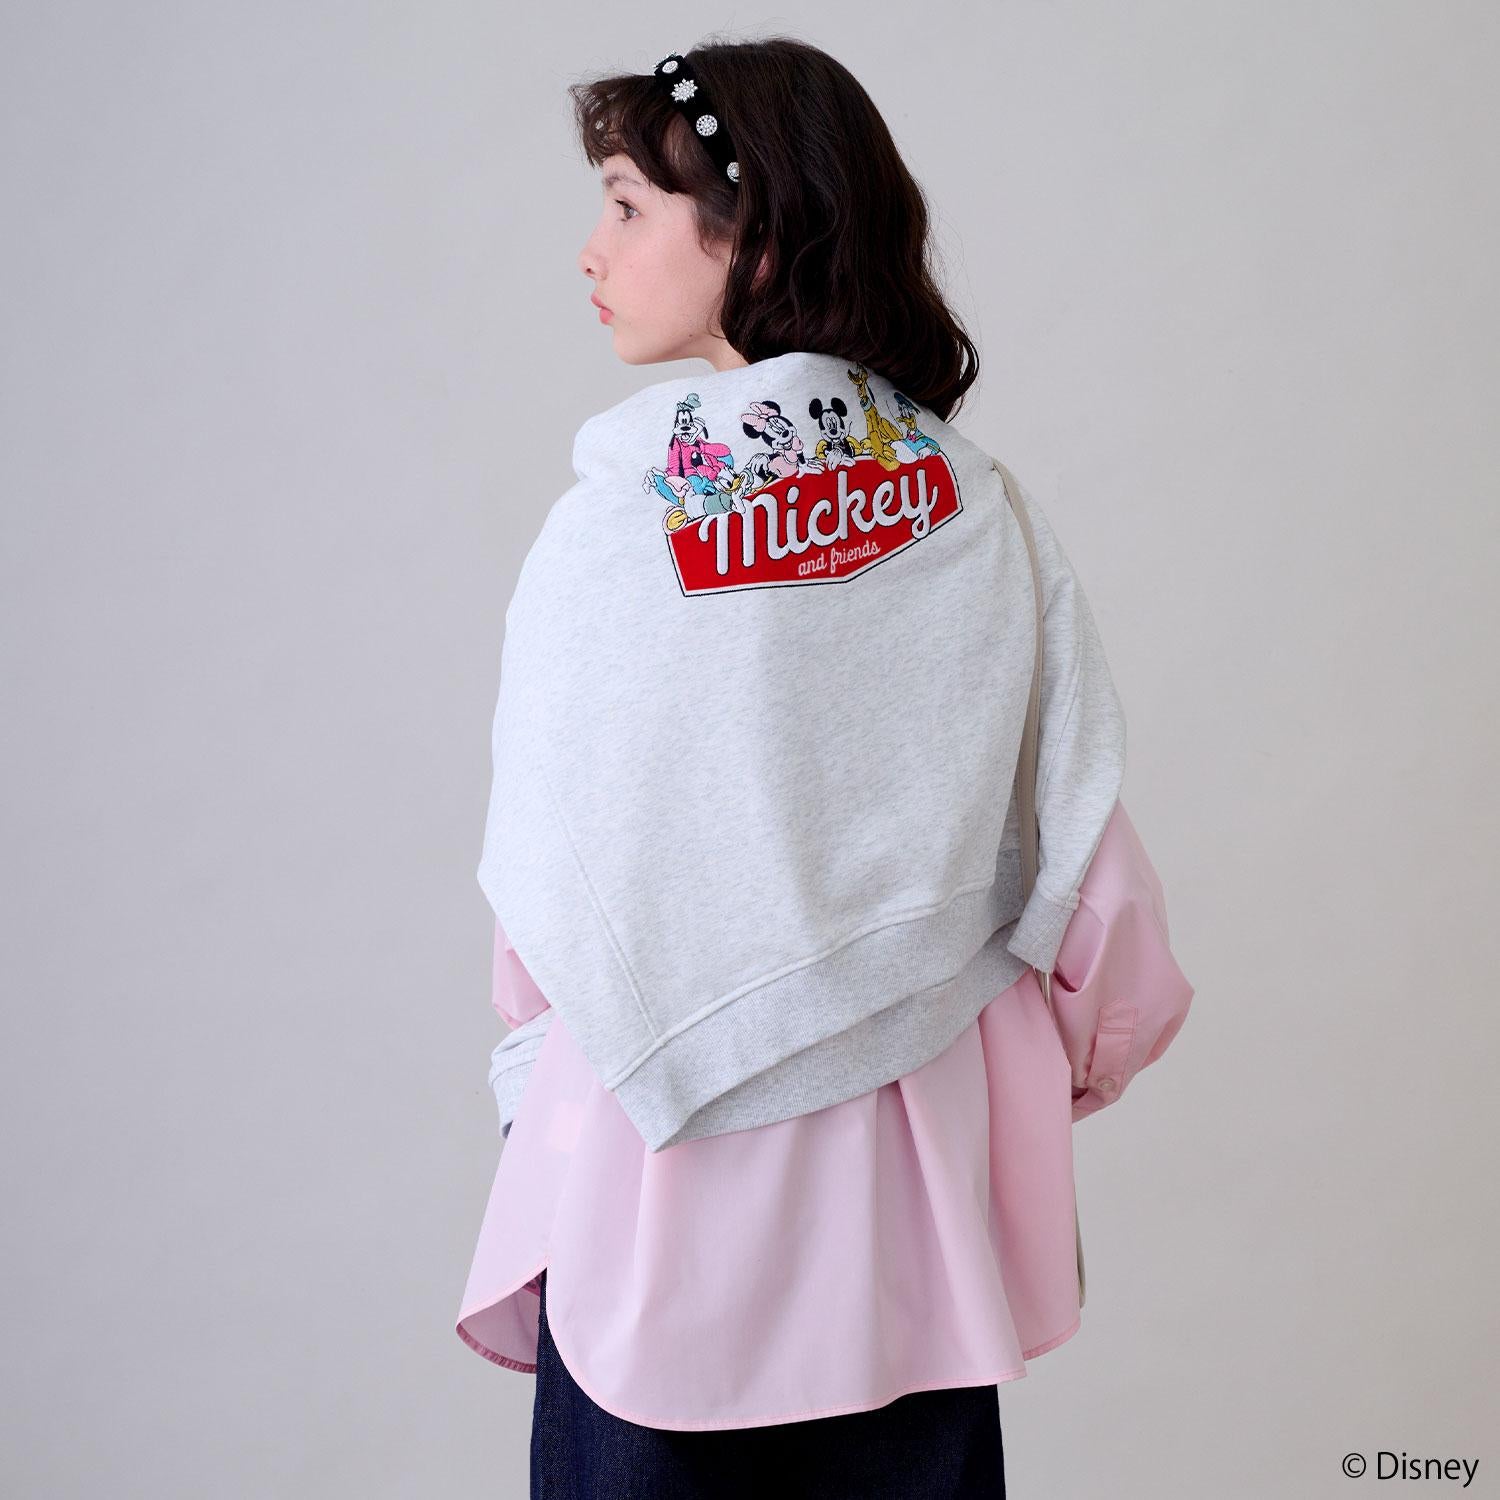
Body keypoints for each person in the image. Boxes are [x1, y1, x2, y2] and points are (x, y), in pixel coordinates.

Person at [454, 36, 1195, 1498]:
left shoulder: (615, 529)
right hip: (908, 1202)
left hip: (659, 1186)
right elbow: (1084, 852)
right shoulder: (969, 507)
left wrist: (543, 1074)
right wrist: (1079, 1045)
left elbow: (551, 871)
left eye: (627, 205)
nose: (590, 249)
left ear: (756, 235)